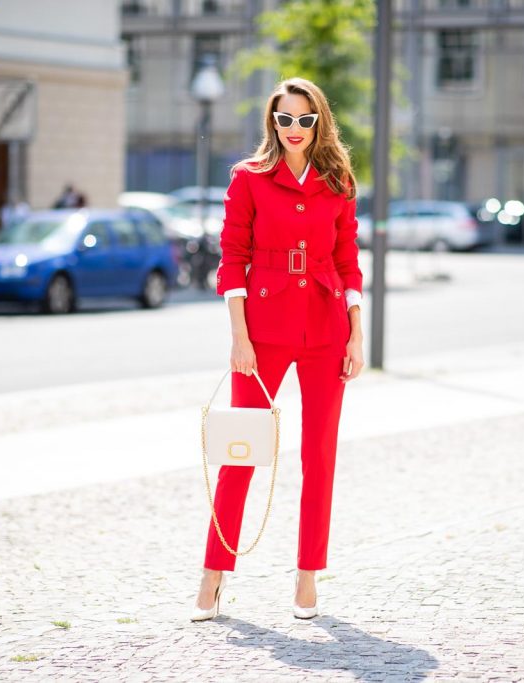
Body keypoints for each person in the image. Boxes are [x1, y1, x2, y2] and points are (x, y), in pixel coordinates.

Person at [191, 77, 364, 622]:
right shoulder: (248, 178)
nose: (294, 129)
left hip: (325, 327)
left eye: (305, 119)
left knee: (319, 456)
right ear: (272, 123)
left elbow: (348, 259)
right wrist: (238, 337)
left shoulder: (337, 182)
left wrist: (357, 332)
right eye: (284, 119)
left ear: (320, 123)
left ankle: (308, 574)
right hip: (261, 332)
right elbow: (232, 258)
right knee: (240, 454)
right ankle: (213, 575)